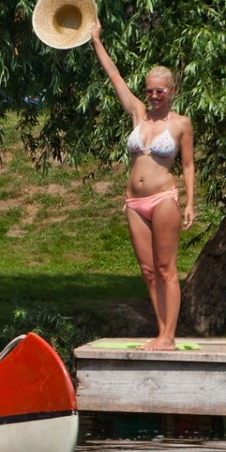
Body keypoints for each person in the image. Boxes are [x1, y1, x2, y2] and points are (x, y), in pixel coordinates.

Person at [89, 19, 196, 351]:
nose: (152, 96)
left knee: (167, 269)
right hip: (133, 202)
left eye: (159, 91)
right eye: (149, 90)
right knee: (148, 272)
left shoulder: (180, 123)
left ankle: (169, 336)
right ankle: (161, 331)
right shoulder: (138, 114)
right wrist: (95, 40)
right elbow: (115, 76)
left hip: (164, 197)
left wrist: (191, 202)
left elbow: (189, 165)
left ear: (171, 91)